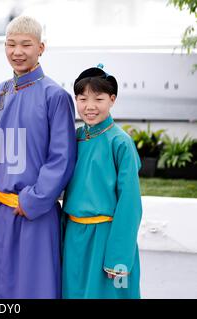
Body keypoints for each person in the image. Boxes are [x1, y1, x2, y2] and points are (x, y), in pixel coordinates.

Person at [0, 16, 77, 298]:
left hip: (36, 212)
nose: (17, 52)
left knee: (35, 288)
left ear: (41, 48)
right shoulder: (1, 92)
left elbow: (62, 157)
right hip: (1, 211)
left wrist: (33, 199)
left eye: (26, 44)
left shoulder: (55, 95)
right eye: (10, 44)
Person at [62, 65, 142, 298]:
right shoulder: (75, 138)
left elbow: (130, 204)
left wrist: (119, 257)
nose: (90, 106)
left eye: (98, 98)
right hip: (75, 237)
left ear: (112, 99)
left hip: (106, 238)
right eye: (82, 98)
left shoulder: (120, 143)